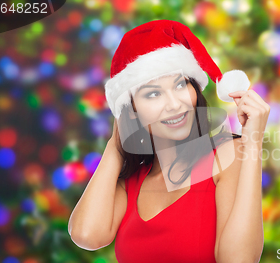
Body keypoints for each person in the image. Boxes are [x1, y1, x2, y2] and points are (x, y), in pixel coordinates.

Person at [68, 20, 269, 263]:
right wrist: (115, 145)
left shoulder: (226, 155)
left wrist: (253, 143)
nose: (175, 104)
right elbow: (86, 235)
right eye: (153, 93)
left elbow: (239, 260)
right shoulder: (131, 183)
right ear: (131, 111)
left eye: (181, 84)